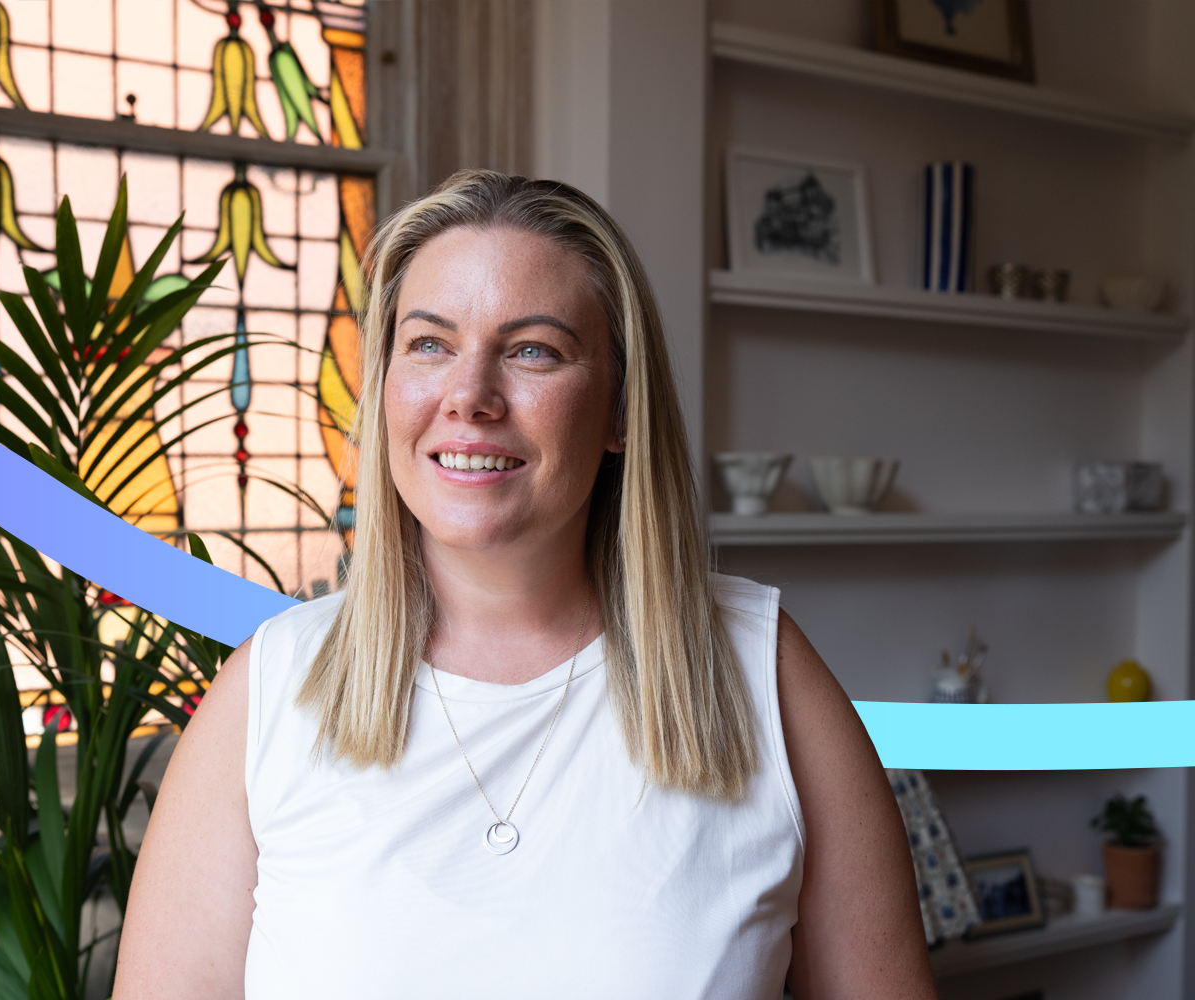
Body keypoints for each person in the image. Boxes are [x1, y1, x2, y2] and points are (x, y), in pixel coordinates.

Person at [115, 171, 935, 999]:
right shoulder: (269, 693)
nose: (469, 397)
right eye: (429, 344)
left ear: (620, 408)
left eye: (532, 350)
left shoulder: (764, 674)